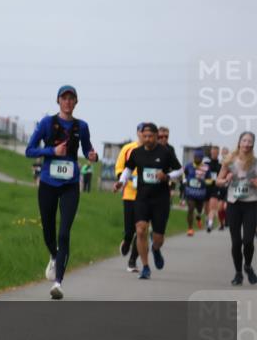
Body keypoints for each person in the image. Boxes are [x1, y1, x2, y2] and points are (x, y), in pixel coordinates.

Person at [25, 85, 99, 299]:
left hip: (70, 185)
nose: (67, 102)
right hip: (48, 183)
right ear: (58, 101)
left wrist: (92, 155)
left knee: (64, 232)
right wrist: (52, 151)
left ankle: (58, 282)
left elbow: (87, 149)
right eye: (64, 98)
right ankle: (54, 256)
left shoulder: (81, 126)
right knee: (48, 231)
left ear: (76, 102)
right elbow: (29, 150)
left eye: (71, 99)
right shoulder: (47, 123)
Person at [114, 123, 183, 280]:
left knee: (158, 238)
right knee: (140, 230)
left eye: (150, 136)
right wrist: (121, 182)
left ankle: (156, 249)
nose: (147, 139)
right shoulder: (136, 153)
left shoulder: (165, 152)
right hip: (142, 198)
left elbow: (179, 170)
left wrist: (167, 177)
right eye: (144, 136)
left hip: (161, 199)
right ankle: (145, 267)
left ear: (156, 136)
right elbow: (128, 170)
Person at [216, 132, 257, 285]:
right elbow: (218, 181)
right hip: (233, 204)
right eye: (244, 140)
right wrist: (225, 180)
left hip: (251, 204)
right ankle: (238, 273)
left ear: (252, 145)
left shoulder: (255, 162)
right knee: (236, 242)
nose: (246, 144)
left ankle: (247, 266)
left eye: (250, 141)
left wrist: (255, 183)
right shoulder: (229, 161)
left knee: (248, 241)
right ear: (239, 142)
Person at [116, 124, 146, 273]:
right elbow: (119, 168)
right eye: (142, 132)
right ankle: (126, 241)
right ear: (137, 133)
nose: (144, 135)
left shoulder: (154, 151)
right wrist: (121, 181)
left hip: (147, 196)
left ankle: (133, 261)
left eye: (147, 132)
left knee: (141, 230)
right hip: (129, 194)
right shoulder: (128, 148)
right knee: (130, 230)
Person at [183, 149, 209, 236]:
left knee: (199, 209)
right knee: (190, 208)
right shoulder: (189, 166)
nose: (197, 158)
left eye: (199, 157)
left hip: (200, 193)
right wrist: (185, 180)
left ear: (202, 158)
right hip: (190, 192)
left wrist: (204, 181)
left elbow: (210, 179)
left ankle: (198, 217)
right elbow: (184, 174)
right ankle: (190, 228)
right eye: (195, 157)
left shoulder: (206, 167)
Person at [205, 146, 227, 233]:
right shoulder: (206, 164)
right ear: (210, 152)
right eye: (213, 152)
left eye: (216, 152)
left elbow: (223, 177)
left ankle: (210, 224)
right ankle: (209, 220)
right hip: (205, 189)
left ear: (218, 153)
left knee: (213, 207)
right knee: (206, 208)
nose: (214, 154)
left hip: (215, 188)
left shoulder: (220, 165)